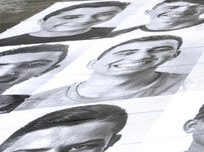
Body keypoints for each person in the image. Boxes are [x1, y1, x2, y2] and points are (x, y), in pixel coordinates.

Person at [22, 36, 187, 107]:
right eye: (125, 53)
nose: (142, 56)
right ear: (92, 64)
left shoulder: (188, 84)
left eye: (161, 50)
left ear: (173, 56)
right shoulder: (38, 101)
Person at [0, 2, 128, 45]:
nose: (85, 20)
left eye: (105, 14)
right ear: (41, 20)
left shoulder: (119, 33)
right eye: (70, 17)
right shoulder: (6, 43)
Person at [0, 44, 69, 114]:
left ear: (47, 70)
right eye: (2, 65)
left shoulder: (41, 104)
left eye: (32, 65)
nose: (9, 71)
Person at [117, 0, 204, 33]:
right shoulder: (121, 33)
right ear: (149, 12)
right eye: (172, 7)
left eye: (194, 8)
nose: (182, 11)